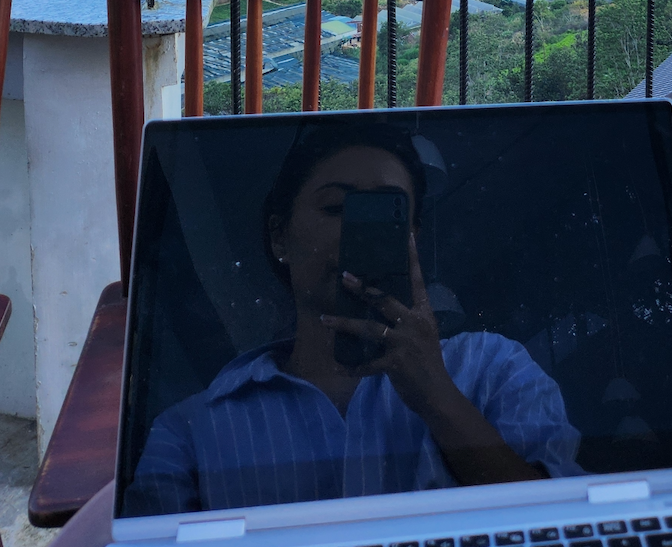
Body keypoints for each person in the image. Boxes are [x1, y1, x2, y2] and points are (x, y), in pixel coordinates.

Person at [124, 125, 581, 516]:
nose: (356, 232)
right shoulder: (188, 431)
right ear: (279, 236)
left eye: (387, 213)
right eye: (336, 209)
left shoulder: (495, 368)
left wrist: (438, 397)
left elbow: (564, 533)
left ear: (413, 238)